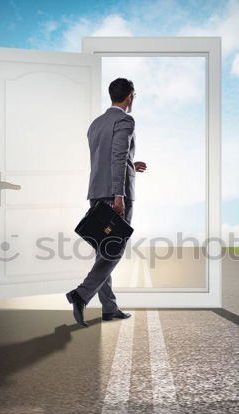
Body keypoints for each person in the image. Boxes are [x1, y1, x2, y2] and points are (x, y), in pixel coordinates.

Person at [66, 78, 147, 327]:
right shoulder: (125, 120)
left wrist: (133, 165)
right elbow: (118, 155)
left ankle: (109, 307)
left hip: (96, 192)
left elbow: (109, 157)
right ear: (130, 96)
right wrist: (118, 195)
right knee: (114, 249)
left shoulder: (96, 124)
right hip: (116, 194)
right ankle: (81, 294)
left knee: (104, 249)